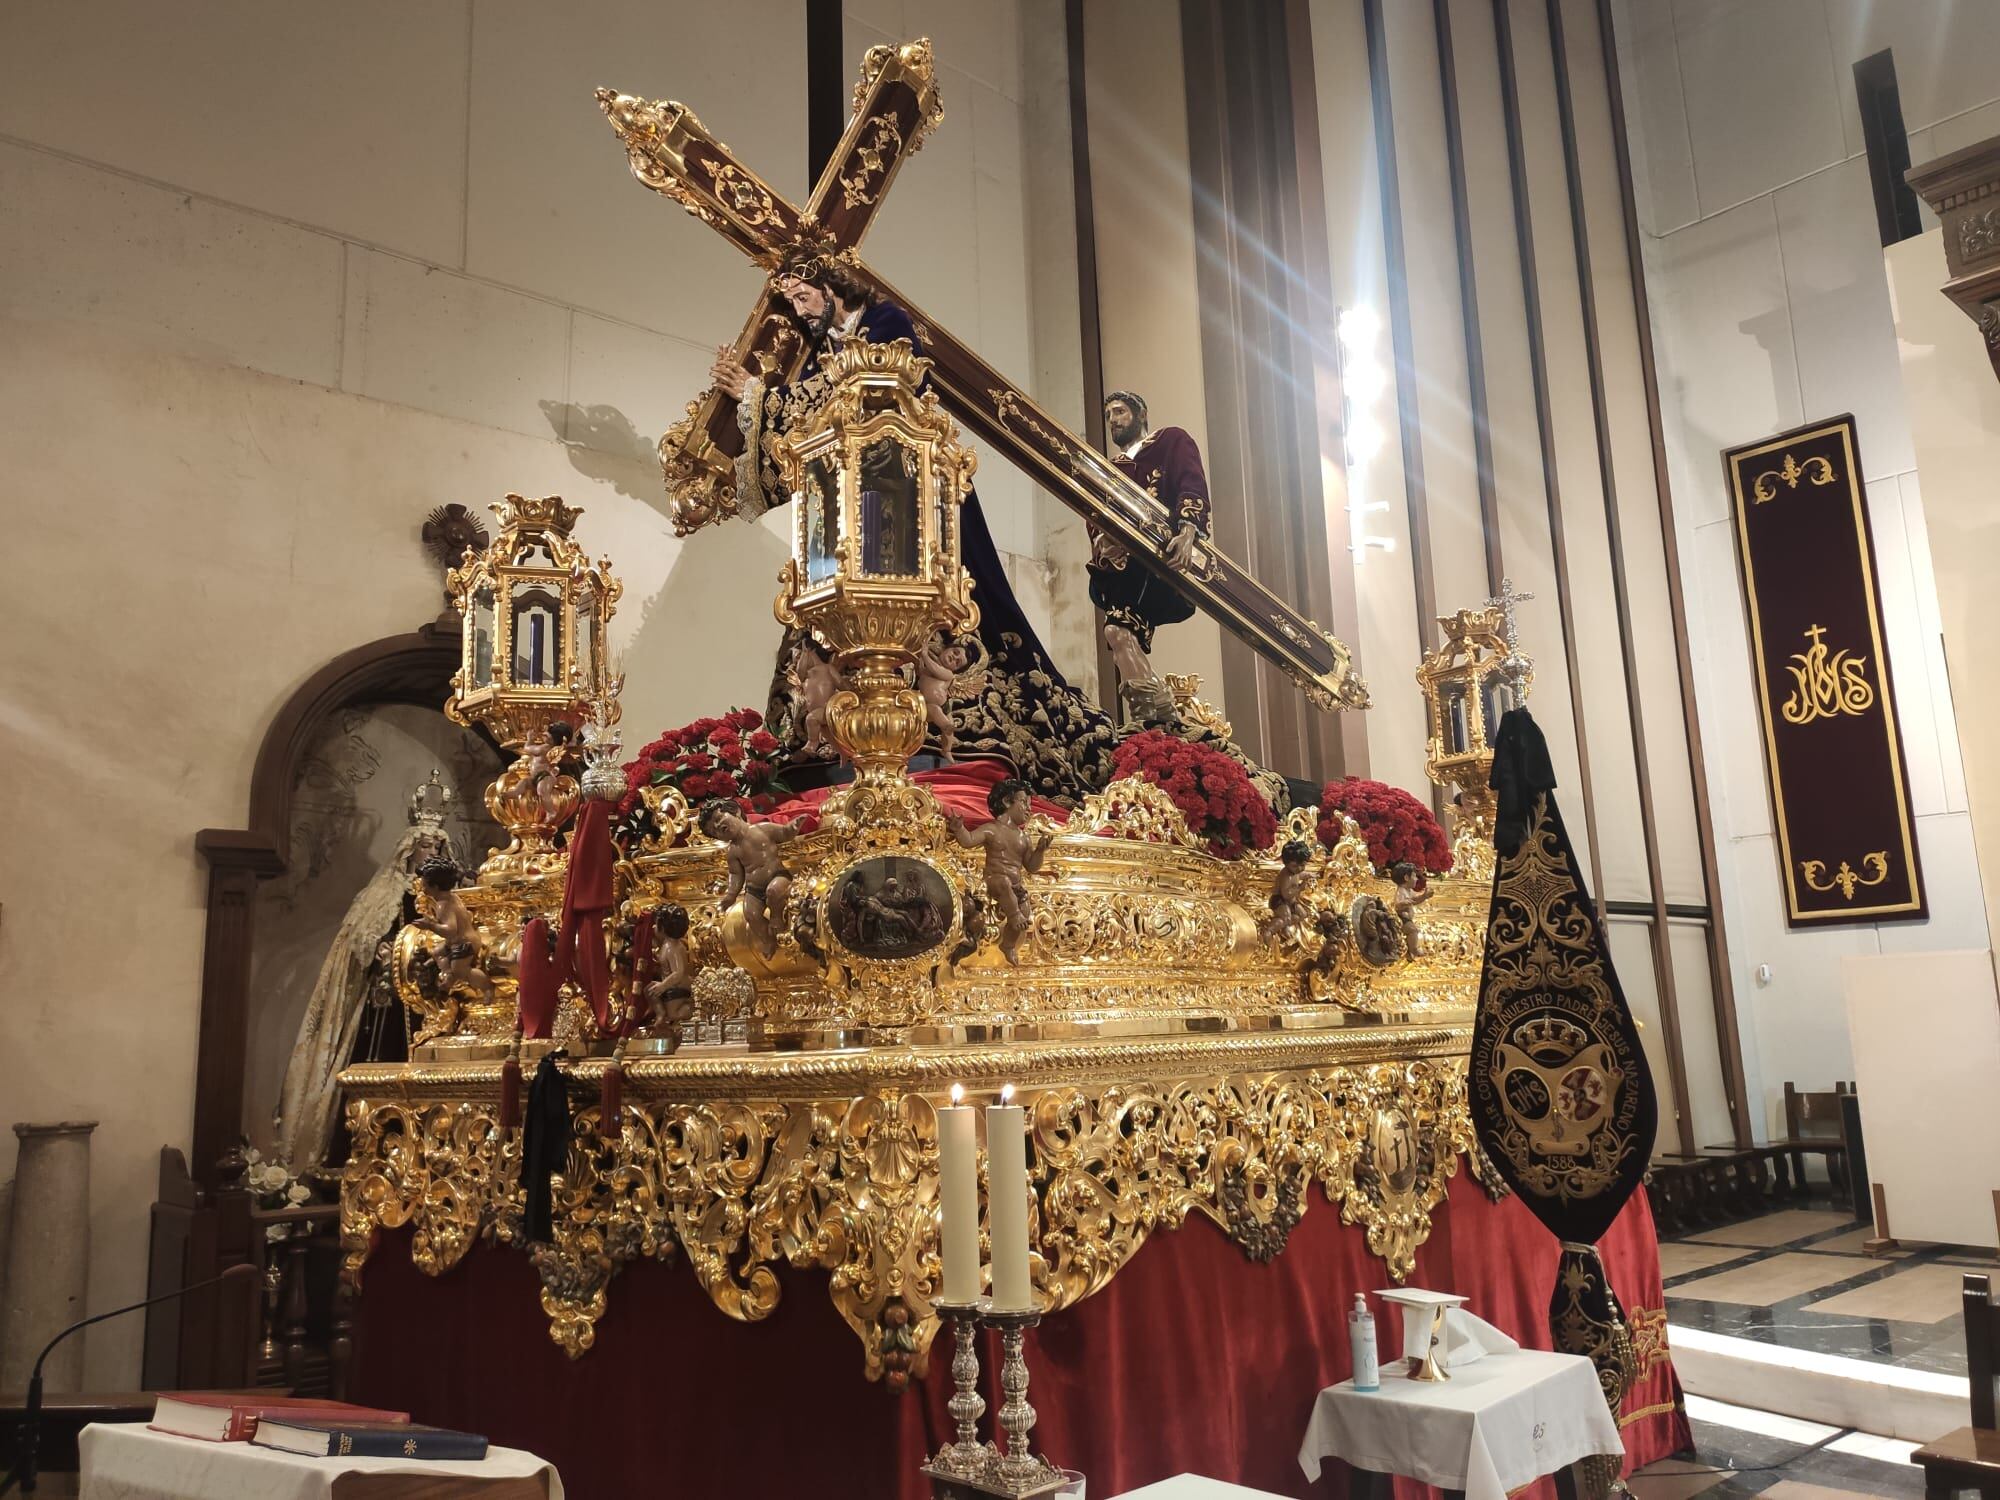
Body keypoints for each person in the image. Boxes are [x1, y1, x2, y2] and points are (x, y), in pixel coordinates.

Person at [711, 260, 1120, 804]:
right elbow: (807, 420)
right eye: (793, 304)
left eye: (805, 297)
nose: (801, 311)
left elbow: (866, 388)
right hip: (855, 506)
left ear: (832, 287)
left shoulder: (885, 321)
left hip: (912, 493)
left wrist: (758, 394)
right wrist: (757, 403)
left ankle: (948, 729)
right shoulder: (822, 351)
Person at [1090, 390, 1211, 723]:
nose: (1113, 420)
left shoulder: (1169, 441)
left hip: (1159, 558)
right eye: (1109, 415)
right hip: (1121, 567)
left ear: (1141, 414)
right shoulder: (1109, 468)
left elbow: (1191, 483)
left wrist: (1188, 532)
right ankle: (1162, 717)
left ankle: (1149, 720)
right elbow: (1095, 514)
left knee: (1117, 632)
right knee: (1119, 634)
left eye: (1119, 412)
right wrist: (1102, 541)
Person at [945, 777, 1056, 965]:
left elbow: (1031, 866)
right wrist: (959, 828)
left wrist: (1040, 850)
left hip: (1015, 886)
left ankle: (1008, 945)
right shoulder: (992, 829)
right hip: (994, 880)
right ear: (1006, 802)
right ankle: (1014, 915)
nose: (1029, 809)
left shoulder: (1023, 837)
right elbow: (968, 840)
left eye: (1030, 804)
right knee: (1005, 887)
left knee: (1025, 910)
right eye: (1023, 802)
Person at [698, 798, 806, 960]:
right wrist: (731, 895)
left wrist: (793, 827)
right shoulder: (733, 851)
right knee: (750, 913)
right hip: (754, 889)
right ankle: (767, 939)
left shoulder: (762, 829)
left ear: (736, 811)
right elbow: (736, 875)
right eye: (714, 831)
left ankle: (776, 917)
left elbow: (784, 833)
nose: (718, 826)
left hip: (777, 876)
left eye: (719, 818)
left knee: (774, 891)